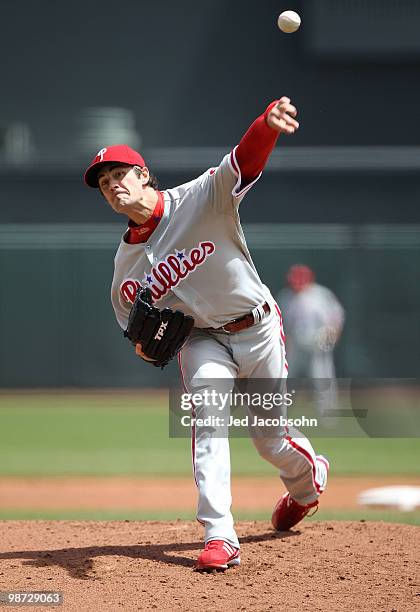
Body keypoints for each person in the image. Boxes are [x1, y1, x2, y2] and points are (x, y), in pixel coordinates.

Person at [83, 97, 329, 571]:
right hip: (202, 341)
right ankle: (220, 535)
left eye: (119, 175)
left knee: (269, 438)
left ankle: (307, 481)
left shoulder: (201, 198)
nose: (113, 186)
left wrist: (266, 125)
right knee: (208, 424)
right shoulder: (125, 270)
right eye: (104, 184)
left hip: (257, 325)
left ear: (143, 175)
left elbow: (244, 159)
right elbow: (134, 336)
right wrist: (145, 345)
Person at [277, 264, 345, 418]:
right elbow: (282, 323)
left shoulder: (321, 294)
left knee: (322, 378)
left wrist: (333, 336)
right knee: (287, 377)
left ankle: (327, 415)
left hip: (318, 343)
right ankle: (280, 413)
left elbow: (337, 317)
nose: (298, 285)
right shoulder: (285, 296)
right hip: (295, 343)